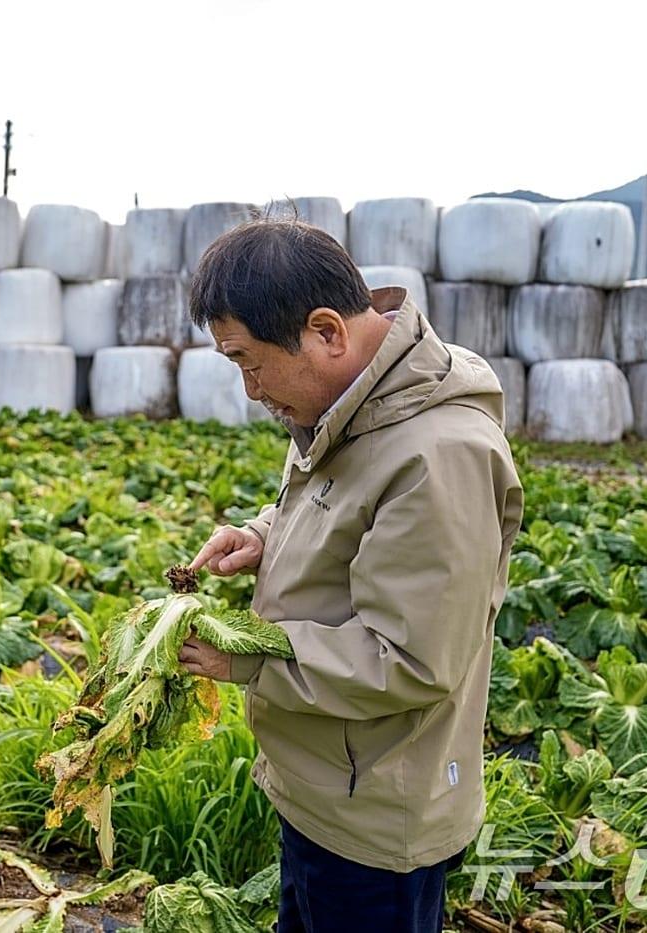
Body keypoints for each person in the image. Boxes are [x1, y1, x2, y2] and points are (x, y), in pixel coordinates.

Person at [180, 219, 524, 933]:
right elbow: (347, 520)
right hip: (322, 787)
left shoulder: (437, 453)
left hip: (375, 820)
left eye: (249, 361)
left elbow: (411, 658)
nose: (251, 390)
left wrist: (248, 659)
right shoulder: (353, 407)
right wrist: (262, 536)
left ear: (327, 332)